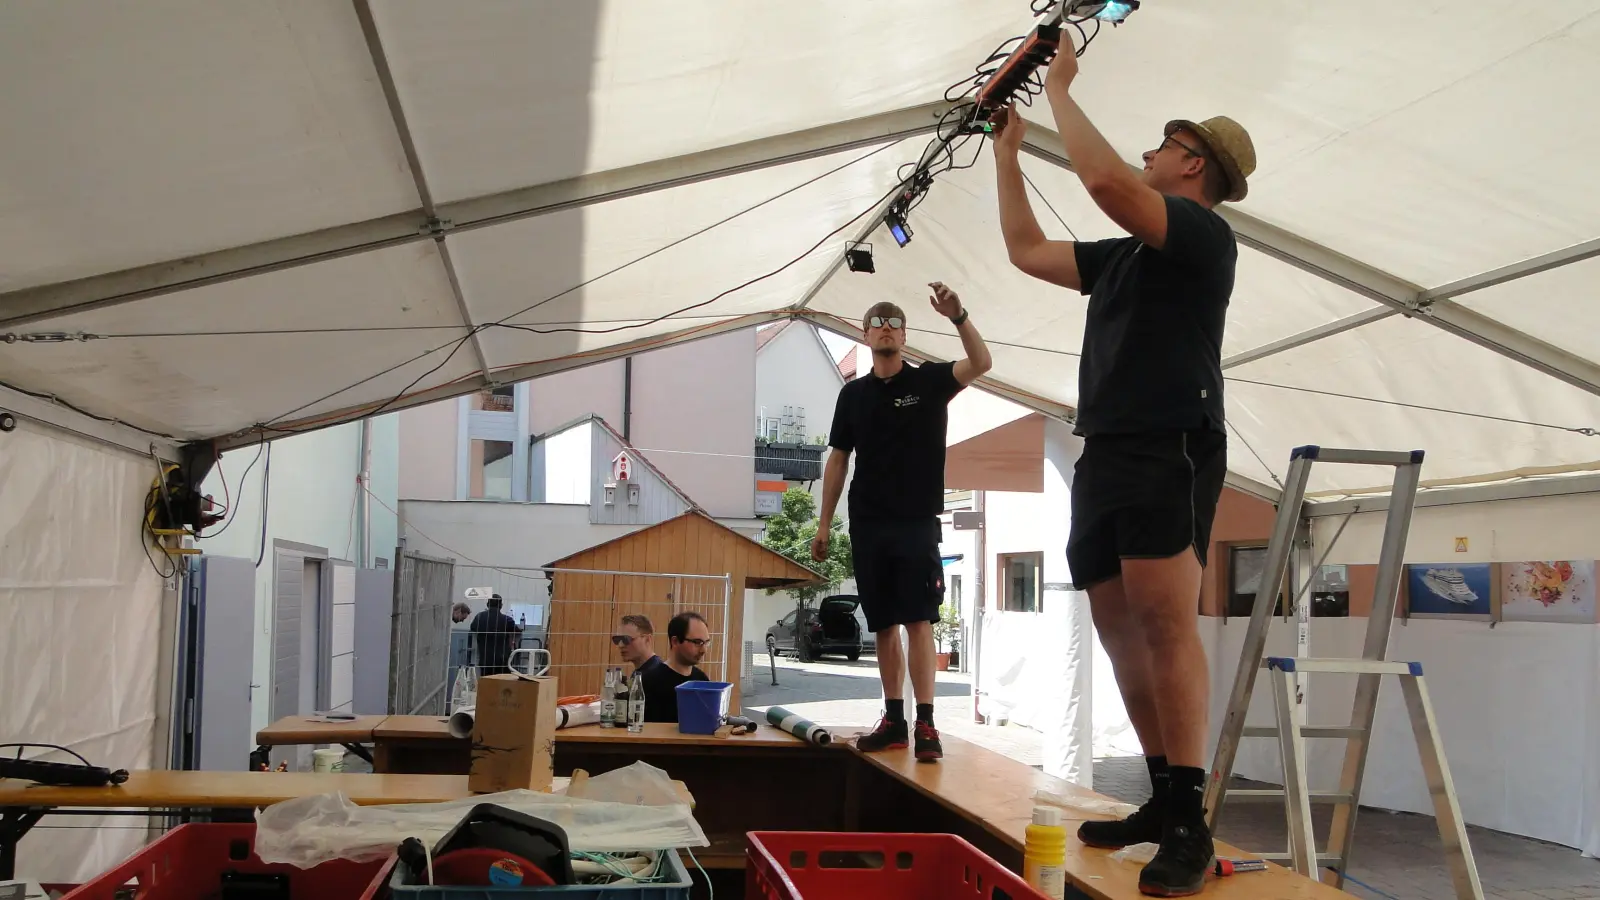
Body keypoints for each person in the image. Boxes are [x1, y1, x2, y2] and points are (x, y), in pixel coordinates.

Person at [991, 45, 1256, 897]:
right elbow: (1027, 250)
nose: (1147, 152)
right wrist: (1007, 154)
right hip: (1104, 448)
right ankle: (1162, 797)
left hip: (1168, 441)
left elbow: (1108, 183)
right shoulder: (1126, 256)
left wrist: (1061, 90)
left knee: (1164, 625)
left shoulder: (1204, 236)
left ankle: (1191, 819)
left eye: (1162, 143)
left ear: (1192, 162)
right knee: (1115, 628)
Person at [813, 285, 992, 763]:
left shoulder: (929, 382)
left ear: (906, 335)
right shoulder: (852, 395)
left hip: (916, 521)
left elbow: (980, 363)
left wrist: (959, 316)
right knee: (883, 624)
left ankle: (927, 725)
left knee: (918, 619)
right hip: (868, 521)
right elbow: (837, 460)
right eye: (878, 321)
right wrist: (824, 524)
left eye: (895, 321)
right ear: (865, 335)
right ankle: (895, 720)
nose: (887, 326)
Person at [635, 611, 711, 723]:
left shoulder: (702, 680)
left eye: (706, 643)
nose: (703, 650)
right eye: (697, 642)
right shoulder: (649, 682)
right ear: (675, 641)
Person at [468, 594, 522, 676]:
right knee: (502, 684)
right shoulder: (507, 620)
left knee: (487, 683)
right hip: (502, 660)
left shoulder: (479, 617)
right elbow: (517, 631)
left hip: (485, 659)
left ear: (487, 604)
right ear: (501, 605)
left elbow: (473, 628)